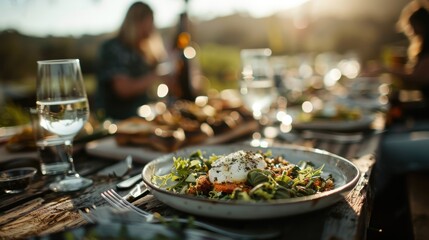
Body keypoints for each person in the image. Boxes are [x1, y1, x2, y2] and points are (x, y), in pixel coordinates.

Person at [94, 1, 173, 120]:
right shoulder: (113, 48)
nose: (153, 27)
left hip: (142, 117)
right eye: (150, 21)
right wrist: (156, 76)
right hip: (115, 122)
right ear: (137, 22)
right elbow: (123, 89)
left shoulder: (143, 50)